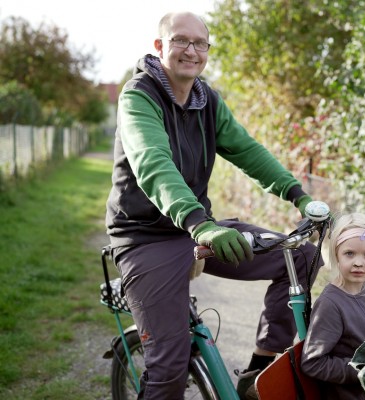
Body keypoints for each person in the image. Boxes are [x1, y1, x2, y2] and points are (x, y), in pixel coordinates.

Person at [105, 11, 321, 400]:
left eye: (199, 43)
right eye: (180, 41)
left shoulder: (207, 100)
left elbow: (248, 151)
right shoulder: (139, 96)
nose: (191, 50)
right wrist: (200, 224)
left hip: (199, 227)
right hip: (145, 238)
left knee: (300, 258)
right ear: (160, 46)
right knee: (168, 372)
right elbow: (154, 164)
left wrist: (298, 195)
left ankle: (260, 371)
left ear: (207, 50)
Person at [301, 213, 365, 400]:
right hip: (350, 394)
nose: (358, 262)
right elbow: (313, 363)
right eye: (349, 253)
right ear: (337, 256)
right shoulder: (331, 304)